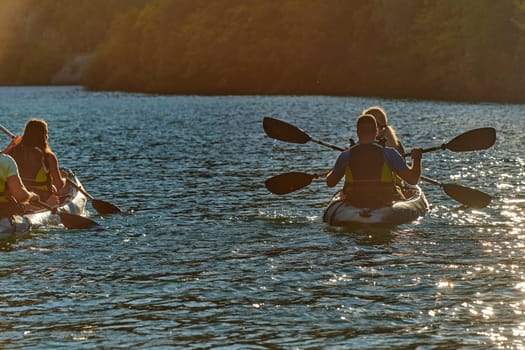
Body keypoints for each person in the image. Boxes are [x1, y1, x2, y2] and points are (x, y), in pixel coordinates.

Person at [326, 114, 422, 208]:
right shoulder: (390, 153)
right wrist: (416, 159)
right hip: (385, 200)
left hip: (354, 201)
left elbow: (330, 183)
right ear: (376, 132)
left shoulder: (346, 155)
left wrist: (335, 167)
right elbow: (412, 180)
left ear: (357, 132)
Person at [5, 119, 65, 203]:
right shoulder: (48, 156)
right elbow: (59, 185)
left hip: (18, 197)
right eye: (46, 133)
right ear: (44, 136)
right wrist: (64, 180)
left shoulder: (12, 152)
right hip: (41, 199)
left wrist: (11, 146)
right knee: (55, 189)